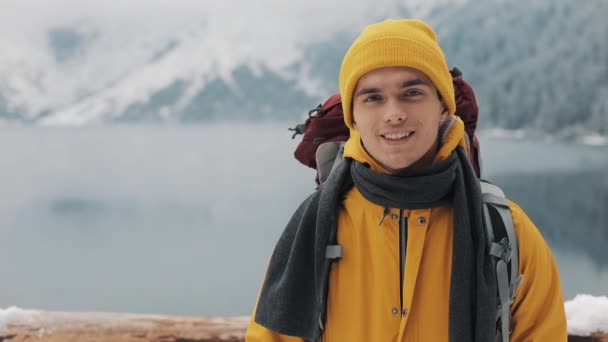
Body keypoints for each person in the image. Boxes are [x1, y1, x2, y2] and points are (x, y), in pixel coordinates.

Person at [246, 18, 567, 341]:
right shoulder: (315, 226)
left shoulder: (506, 231)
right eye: (372, 98)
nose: (393, 113)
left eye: (412, 93)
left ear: (443, 106)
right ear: (353, 117)